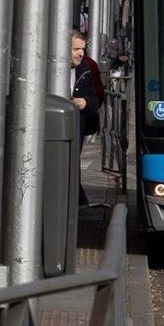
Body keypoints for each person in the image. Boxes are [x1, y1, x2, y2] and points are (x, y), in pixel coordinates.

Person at [71, 31, 103, 205]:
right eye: (76, 49)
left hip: (78, 126)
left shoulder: (84, 68)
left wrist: (85, 102)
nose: (81, 53)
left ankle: (78, 201)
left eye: (82, 49)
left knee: (73, 162)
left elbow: (95, 99)